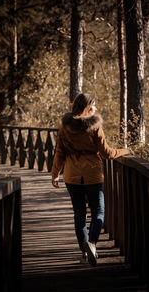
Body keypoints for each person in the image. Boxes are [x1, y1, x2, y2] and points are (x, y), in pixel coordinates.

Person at [51, 93, 131, 267]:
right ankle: (93, 244)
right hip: (92, 175)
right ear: (86, 106)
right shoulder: (94, 126)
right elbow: (107, 153)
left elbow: (60, 151)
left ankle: (84, 252)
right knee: (98, 212)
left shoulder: (64, 126)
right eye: (93, 104)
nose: (95, 107)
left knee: (79, 214)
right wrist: (126, 151)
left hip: (71, 176)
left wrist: (55, 174)